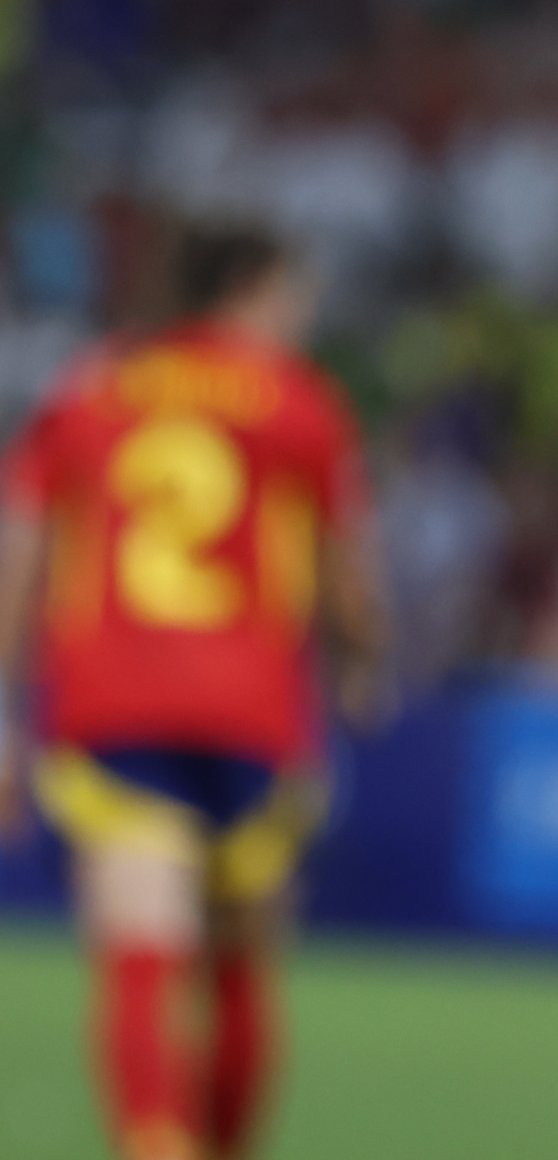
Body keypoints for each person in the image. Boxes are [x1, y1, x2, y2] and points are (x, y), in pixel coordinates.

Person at [0, 218, 388, 1160]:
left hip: (113, 701)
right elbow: (347, 572)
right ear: (255, 288)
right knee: (242, 966)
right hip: (253, 710)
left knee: (140, 953)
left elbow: (22, 544)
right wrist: (363, 662)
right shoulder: (300, 402)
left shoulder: (93, 388)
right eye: (295, 295)